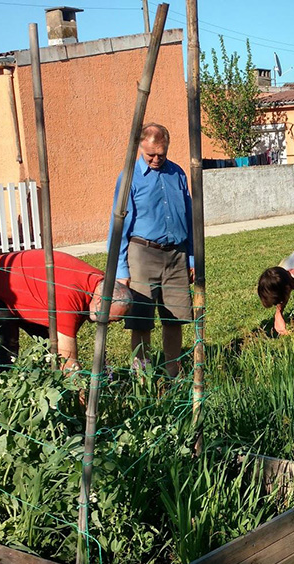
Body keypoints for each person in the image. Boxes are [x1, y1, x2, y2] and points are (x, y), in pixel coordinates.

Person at [108, 123, 194, 378]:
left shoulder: (177, 173)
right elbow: (119, 225)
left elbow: (188, 217)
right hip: (142, 255)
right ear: (140, 148)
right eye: (151, 155)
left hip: (176, 256)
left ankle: (172, 373)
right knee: (141, 320)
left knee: (175, 318)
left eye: (161, 154)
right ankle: (142, 376)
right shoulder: (128, 177)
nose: (156, 159)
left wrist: (191, 258)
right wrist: (122, 269)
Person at [0, 250, 130, 371]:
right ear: (100, 301)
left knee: (50, 344)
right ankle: (0, 397)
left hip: (29, 291)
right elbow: (69, 362)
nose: (109, 323)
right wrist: (82, 403)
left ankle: (49, 385)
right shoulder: (69, 298)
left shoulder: (102, 285)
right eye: (111, 319)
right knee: (4, 352)